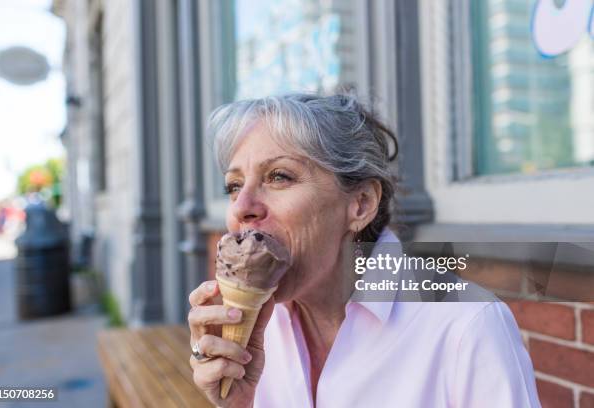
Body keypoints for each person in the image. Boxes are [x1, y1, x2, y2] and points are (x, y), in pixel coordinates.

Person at [187, 94, 541, 407]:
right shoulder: (256, 332)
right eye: (233, 185)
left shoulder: (467, 325)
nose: (242, 206)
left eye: (279, 176)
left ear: (360, 204)